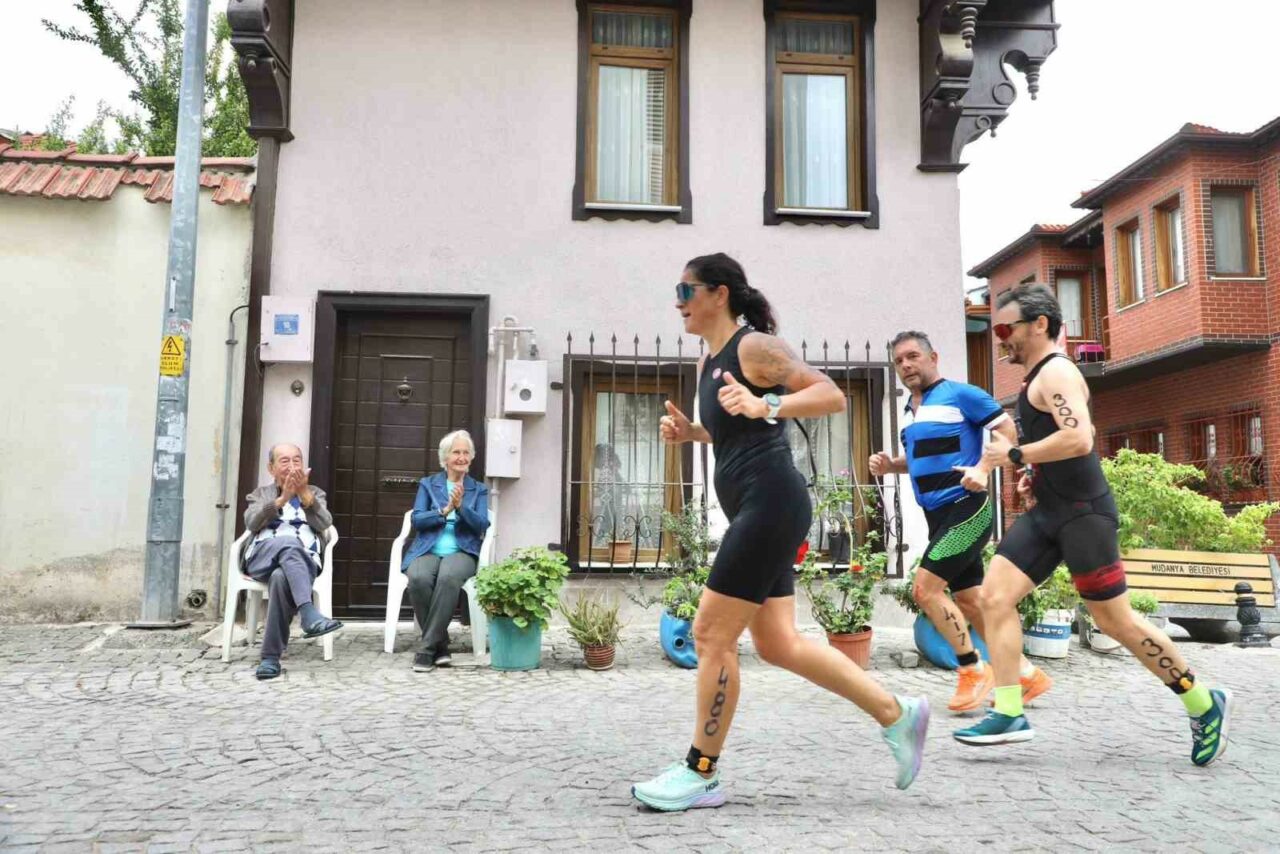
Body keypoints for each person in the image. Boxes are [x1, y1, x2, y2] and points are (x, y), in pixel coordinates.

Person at [631, 253, 930, 813]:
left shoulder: (754, 347)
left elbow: (831, 395)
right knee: (778, 643)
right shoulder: (708, 362)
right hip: (754, 503)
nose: (678, 301)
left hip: (771, 502)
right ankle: (897, 714)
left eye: (685, 289)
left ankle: (701, 771)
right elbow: (731, 430)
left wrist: (767, 401)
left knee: (710, 637)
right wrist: (691, 432)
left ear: (719, 294)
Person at [954, 283, 1231, 767]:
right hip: (1049, 513)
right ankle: (1010, 711)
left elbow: (1080, 438)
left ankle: (1203, 702)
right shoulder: (1037, 377)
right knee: (993, 597)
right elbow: (1066, 442)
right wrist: (1033, 473)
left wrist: (1016, 453)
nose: (1000, 339)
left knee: (1115, 621)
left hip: (1085, 517)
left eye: (1006, 328)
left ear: (1039, 324)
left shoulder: (1056, 372)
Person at [872, 331, 1052, 714]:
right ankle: (1025, 674)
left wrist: (984, 468)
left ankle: (972, 669)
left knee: (926, 591)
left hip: (966, 508)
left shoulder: (962, 394)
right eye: (899, 360)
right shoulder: (911, 411)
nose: (906, 365)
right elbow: (921, 461)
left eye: (912, 356)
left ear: (933, 356)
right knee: (970, 600)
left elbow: (1008, 433)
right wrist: (892, 465)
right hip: (937, 517)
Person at [242, 443, 343, 680]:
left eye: (297, 460)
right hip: (262, 557)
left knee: (281, 577)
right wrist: (282, 499)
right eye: (285, 461)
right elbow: (251, 523)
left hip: (303, 561)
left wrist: (304, 496)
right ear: (271, 467)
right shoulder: (259, 494)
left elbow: (324, 523)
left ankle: (270, 658)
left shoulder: (315, 493)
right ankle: (308, 612)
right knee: (288, 541)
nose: (292, 466)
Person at [402, 430, 491, 672]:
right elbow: (418, 520)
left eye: (466, 452)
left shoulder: (478, 489)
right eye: (456, 452)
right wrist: (444, 510)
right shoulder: (428, 485)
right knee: (418, 578)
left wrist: (461, 508)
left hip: (463, 550)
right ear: (445, 457)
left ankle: (427, 649)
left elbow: (482, 525)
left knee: (449, 576)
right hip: (428, 548)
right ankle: (441, 645)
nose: (462, 457)